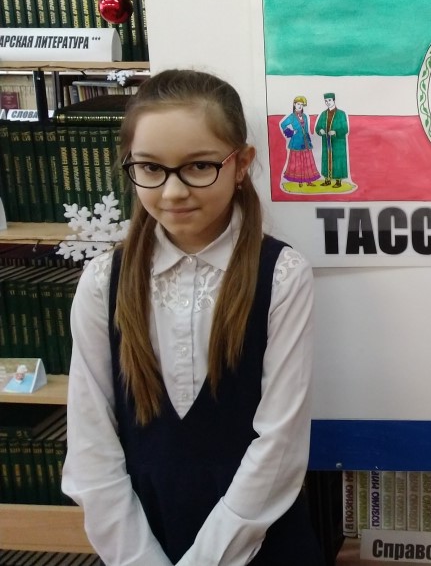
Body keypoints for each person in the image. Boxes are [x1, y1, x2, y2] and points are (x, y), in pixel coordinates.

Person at [62, 69, 323, 566]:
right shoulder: (103, 281)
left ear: (241, 163)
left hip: (262, 543)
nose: (173, 192)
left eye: (199, 166)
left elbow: (280, 445)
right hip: (142, 542)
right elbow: (91, 447)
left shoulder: (282, 275)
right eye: (150, 168)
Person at [279, 95, 321, 187]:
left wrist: (308, 140)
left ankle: (309, 181)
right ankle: (300, 181)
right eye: (298, 104)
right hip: (296, 142)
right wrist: (291, 132)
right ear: (294, 104)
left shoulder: (305, 116)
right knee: (298, 161)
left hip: (305, 142)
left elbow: (306, 129)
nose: (300, 106)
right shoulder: (291, 117)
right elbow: (283, 124)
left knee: (307, 161)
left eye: (302, 105)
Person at [314, 91, 350, 188]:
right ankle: (327, 180)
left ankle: (338, 181)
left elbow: (345, 129)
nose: (328, 102)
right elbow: (317, 127)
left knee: (337, 160)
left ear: (334, 100)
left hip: (338, 142)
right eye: (326, 101)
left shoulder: (341, 114)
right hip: (326, 141)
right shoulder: (323, 114)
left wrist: (335, 132)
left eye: (329, 100)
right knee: (326, 159)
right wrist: (320, 130)